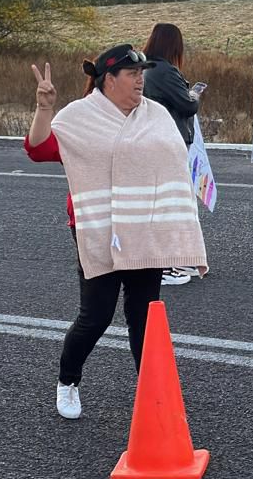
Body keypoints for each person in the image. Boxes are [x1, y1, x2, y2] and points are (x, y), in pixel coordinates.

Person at [25, 45, 208, 419]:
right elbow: (39, 149)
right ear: (109, 79)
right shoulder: (80, 116)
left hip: (145, 224)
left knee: (146, 314)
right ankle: (68, 381)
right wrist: (45, 109)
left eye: (143, 72)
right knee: (97, 315)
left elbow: (172, 164)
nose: (141, 79)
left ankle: (151, 392)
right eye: (132, 73)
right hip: (97, 226)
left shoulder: (154, 114)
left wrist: (176, 222)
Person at [142, 22, 201, 286]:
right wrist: (195, 95)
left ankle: (170, 260)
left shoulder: (144, 68)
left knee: (161, 199)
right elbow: (187, 105)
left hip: (152, 138)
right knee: (170, 200)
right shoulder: (165, 71)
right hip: (170, 139)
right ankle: (165, 265)